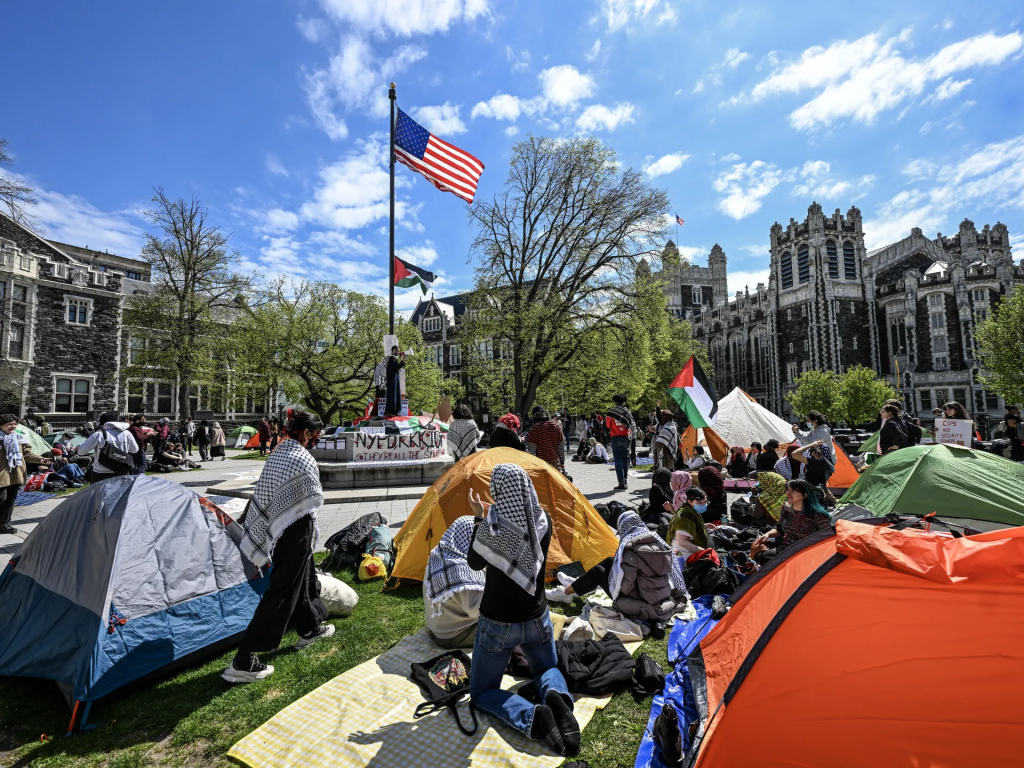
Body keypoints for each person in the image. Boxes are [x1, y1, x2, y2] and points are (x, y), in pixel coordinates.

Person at [466, 463, 580, 756]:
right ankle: (556, 698)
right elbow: (518, 523)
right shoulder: (543, 519)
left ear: (498, 491)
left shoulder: (493, 529)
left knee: (480, 692)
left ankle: (533, 717)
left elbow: (475, 563)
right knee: (547, 668)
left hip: (497, 622)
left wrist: (481, 518)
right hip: (537, 616)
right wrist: (492, 514)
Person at [224, 411, 333, 684]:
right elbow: (311, 495)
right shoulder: (301, 457)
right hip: (295, 526)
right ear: (307, 433)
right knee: (283, 589)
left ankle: (309, 628)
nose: (316, 441)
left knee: (305, 576)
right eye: (316, 435)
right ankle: (244, 659)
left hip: (283, 525)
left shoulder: (280, 451)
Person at [546, 510, 687, 635]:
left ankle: (565, 593)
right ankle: (577, 585)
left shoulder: (631, 550)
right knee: (609, 561)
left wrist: (612, 581)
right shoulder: (659, 543)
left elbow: (625, 587)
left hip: (643, 603)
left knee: (598, 572)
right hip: (659, 597)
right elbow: (673, 576)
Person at [423, 516, 485, 648]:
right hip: (455, 635)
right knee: (511, 625)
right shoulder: (463, 571)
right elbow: (479, 611)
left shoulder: (438, 555)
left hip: (440, 629)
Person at [749, 479, 832, 563]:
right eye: (788, 490)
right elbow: (779, 529)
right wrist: (767, 535)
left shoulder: (817, 515)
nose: (788, 493)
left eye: (793, 490)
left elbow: (828, 538)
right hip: (785, 549)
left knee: (770, 561)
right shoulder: (786, 509)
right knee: (760, 556)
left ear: (805, 495)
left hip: (804, 553)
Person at [0, 415, 48, 535]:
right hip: (2, 473)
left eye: (15, 424)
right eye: (10, 424)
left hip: (16, 472)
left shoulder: (19, 438)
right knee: (1, 498)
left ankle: (3, 524)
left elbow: (27, 455)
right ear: (1, 425)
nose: (13, 426)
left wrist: (41, 459)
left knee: (11, 498)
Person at [79, 411, 140, 482]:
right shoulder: (127, 433)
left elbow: (81, 451)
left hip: (101, 473)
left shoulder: (99, 434)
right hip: (121, 470)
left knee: (100, 493)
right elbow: (135, 450)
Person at [605, 395, 636, 491]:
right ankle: (625, 480)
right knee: (625, 459)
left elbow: (608, 425)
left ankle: (621, 482)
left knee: (618, 460)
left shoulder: (611, 412)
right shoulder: (628, 412)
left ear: (615, 402)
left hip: (615, 437)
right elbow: (631, 423)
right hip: (626, 437)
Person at [665, 487, 710, 554]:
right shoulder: (686, 516)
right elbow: (681, 542)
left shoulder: (688, 509)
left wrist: (703, 526)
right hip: (684, 556)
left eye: (705, 502)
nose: (703, 505)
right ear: (690, 501)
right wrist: (704, 552)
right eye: (699, 503)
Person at [375, 345, 406, 417]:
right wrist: (402, 361)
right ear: (394, 350)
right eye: (398, 351)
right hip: (392, 379)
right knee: (392, 395)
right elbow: (396, 367)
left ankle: (395, 410)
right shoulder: (391, 358)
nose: (399, 352)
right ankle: (390, 410)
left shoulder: (393, 358)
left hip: (394, 378)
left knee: (396, 394)